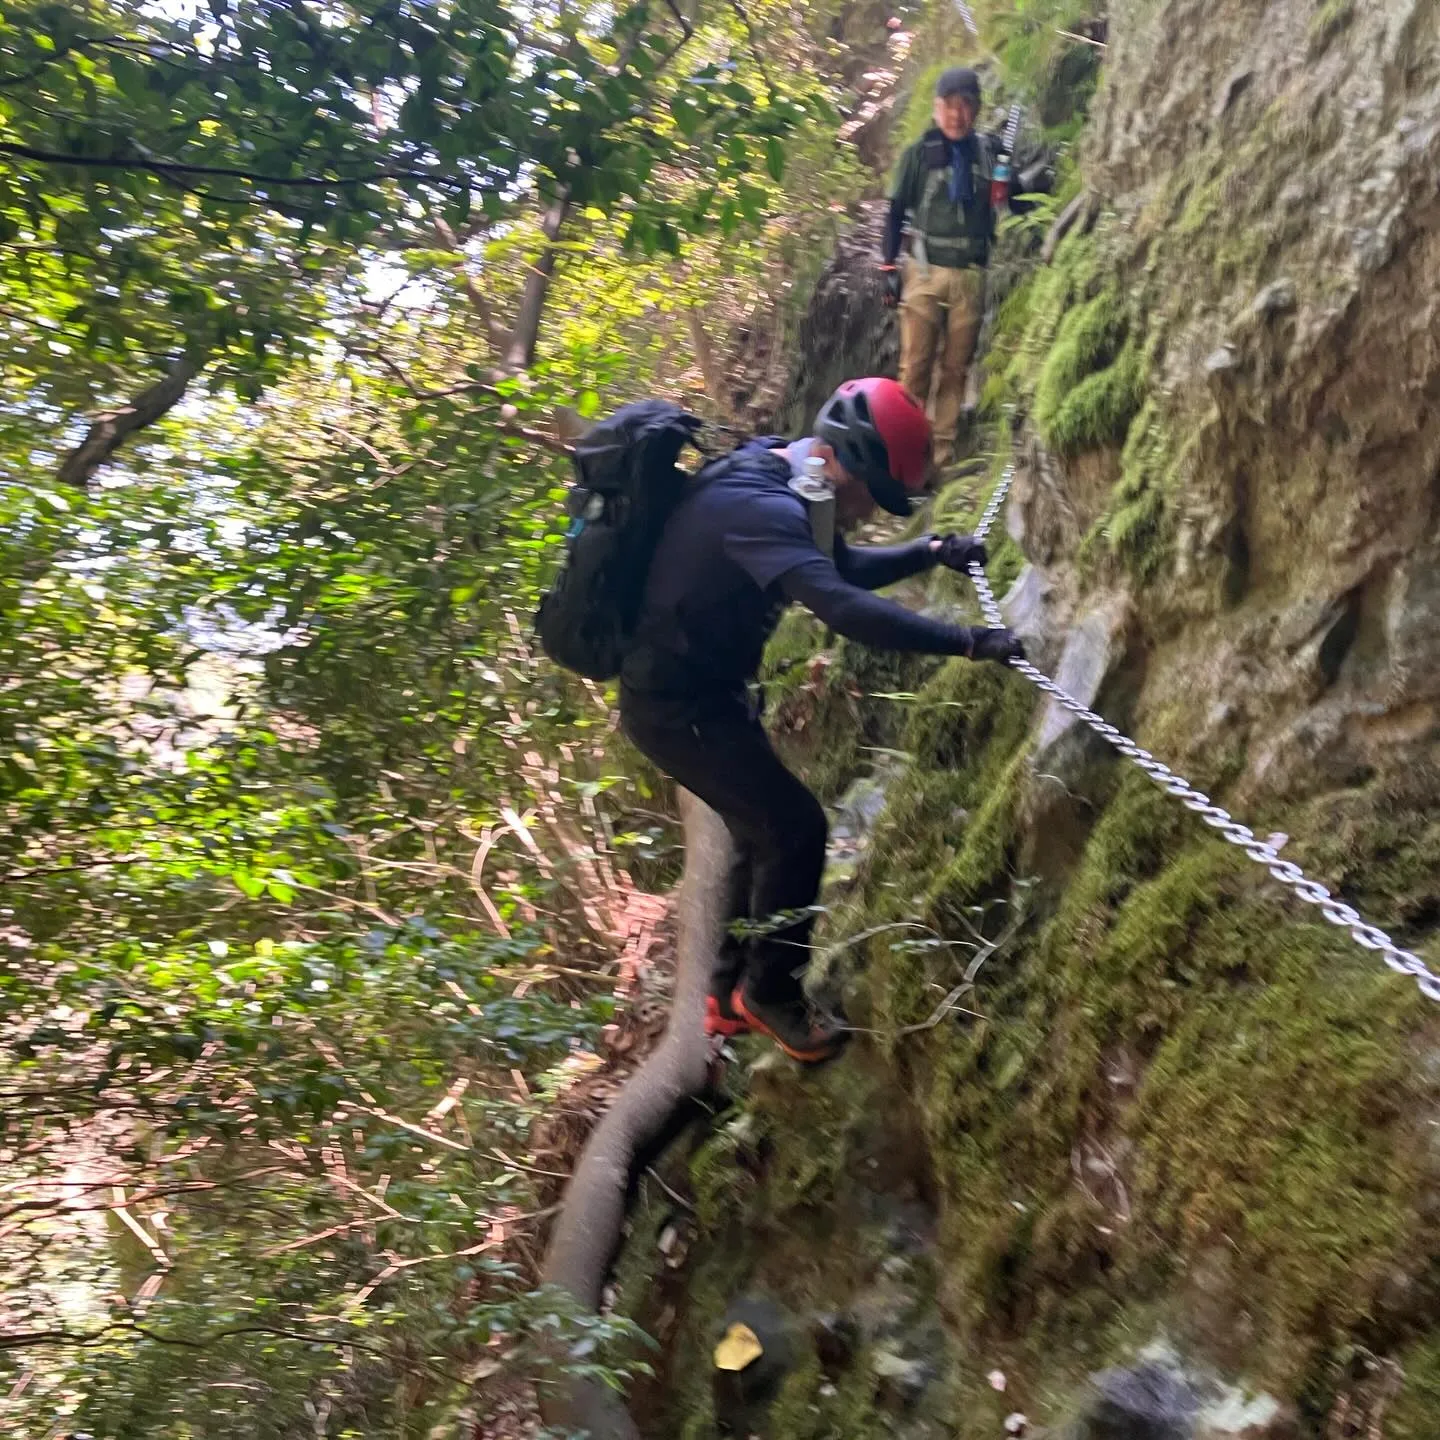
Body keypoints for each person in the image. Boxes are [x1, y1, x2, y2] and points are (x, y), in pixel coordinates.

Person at [618, 377, 1024, 1065]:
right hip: (675, 707)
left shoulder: (783, 474)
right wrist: (965, 641)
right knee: (796, 828)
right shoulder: (757, 505)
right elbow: (840, 606)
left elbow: (837, 564)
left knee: (758, 830)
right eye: (874, 496)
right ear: (843, 462)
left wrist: (929, 552)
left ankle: (723, 995)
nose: (870, 513)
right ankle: (770, 993)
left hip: (701, 693)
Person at [881, 67, 1038, 470]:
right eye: (949, 106)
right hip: (924, 271)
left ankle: (941, 456)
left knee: (956, 368)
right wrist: (887, 267)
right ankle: (904, 458)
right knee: (914, 367)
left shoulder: (989, 152)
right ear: (936, 110)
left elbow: (1012, 198)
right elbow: (895, 211)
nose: (957, 115)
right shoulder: (918, 155)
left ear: (977, 109)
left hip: (971, 273)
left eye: (965, 105)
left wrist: (1033, 196)